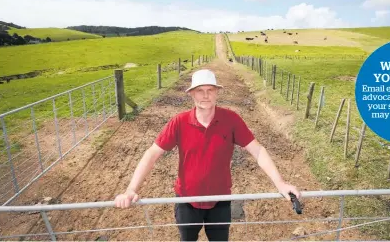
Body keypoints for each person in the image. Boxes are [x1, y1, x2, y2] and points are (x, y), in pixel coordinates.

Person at [114, 69, 301, 241]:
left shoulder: (231, 119)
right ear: (191, 94)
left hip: (220, 200)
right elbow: (152, 153)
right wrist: (131, 189)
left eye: (210, 90)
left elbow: (258, 150)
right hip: (186, 200)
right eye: (200, 90)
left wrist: (280, 183)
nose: (205, 95)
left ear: (217, 92)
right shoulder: (179, 122)